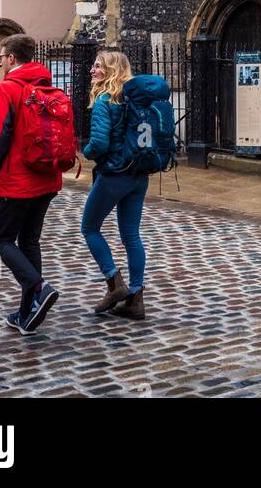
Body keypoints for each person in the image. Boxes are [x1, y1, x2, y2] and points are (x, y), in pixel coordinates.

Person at [0, 34, 61, 335]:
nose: (1, 62)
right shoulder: (47, 85)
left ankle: (39, 288)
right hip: (47, 178)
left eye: (2, 57)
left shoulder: (7, 89)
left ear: (12, 59)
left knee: (2, 241)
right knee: (29, 241)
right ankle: (28, 311)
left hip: (18, 180)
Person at [80, 51, 151, 321]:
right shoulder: (135, 100)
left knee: (89, 228)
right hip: (139, 174)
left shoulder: (104, 101)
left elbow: (100, 143)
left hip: (114, 175)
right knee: (131, 236)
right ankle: (135, 297)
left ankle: (114, 282)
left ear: (109, 70)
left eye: (97, 66)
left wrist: (85, 152)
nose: (92, 70)